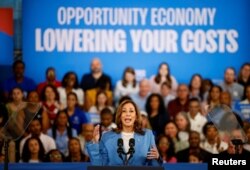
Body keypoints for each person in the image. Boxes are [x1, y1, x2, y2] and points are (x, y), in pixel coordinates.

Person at [86, 100, 162, 166]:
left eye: (131, 111)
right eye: (124, 111)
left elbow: (154, 165)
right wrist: (95, 143)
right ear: (119, 116)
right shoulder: (107, 136)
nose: (128, 114)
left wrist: (157, 157)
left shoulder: (147, 135)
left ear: (136, 116)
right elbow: (99, 165)